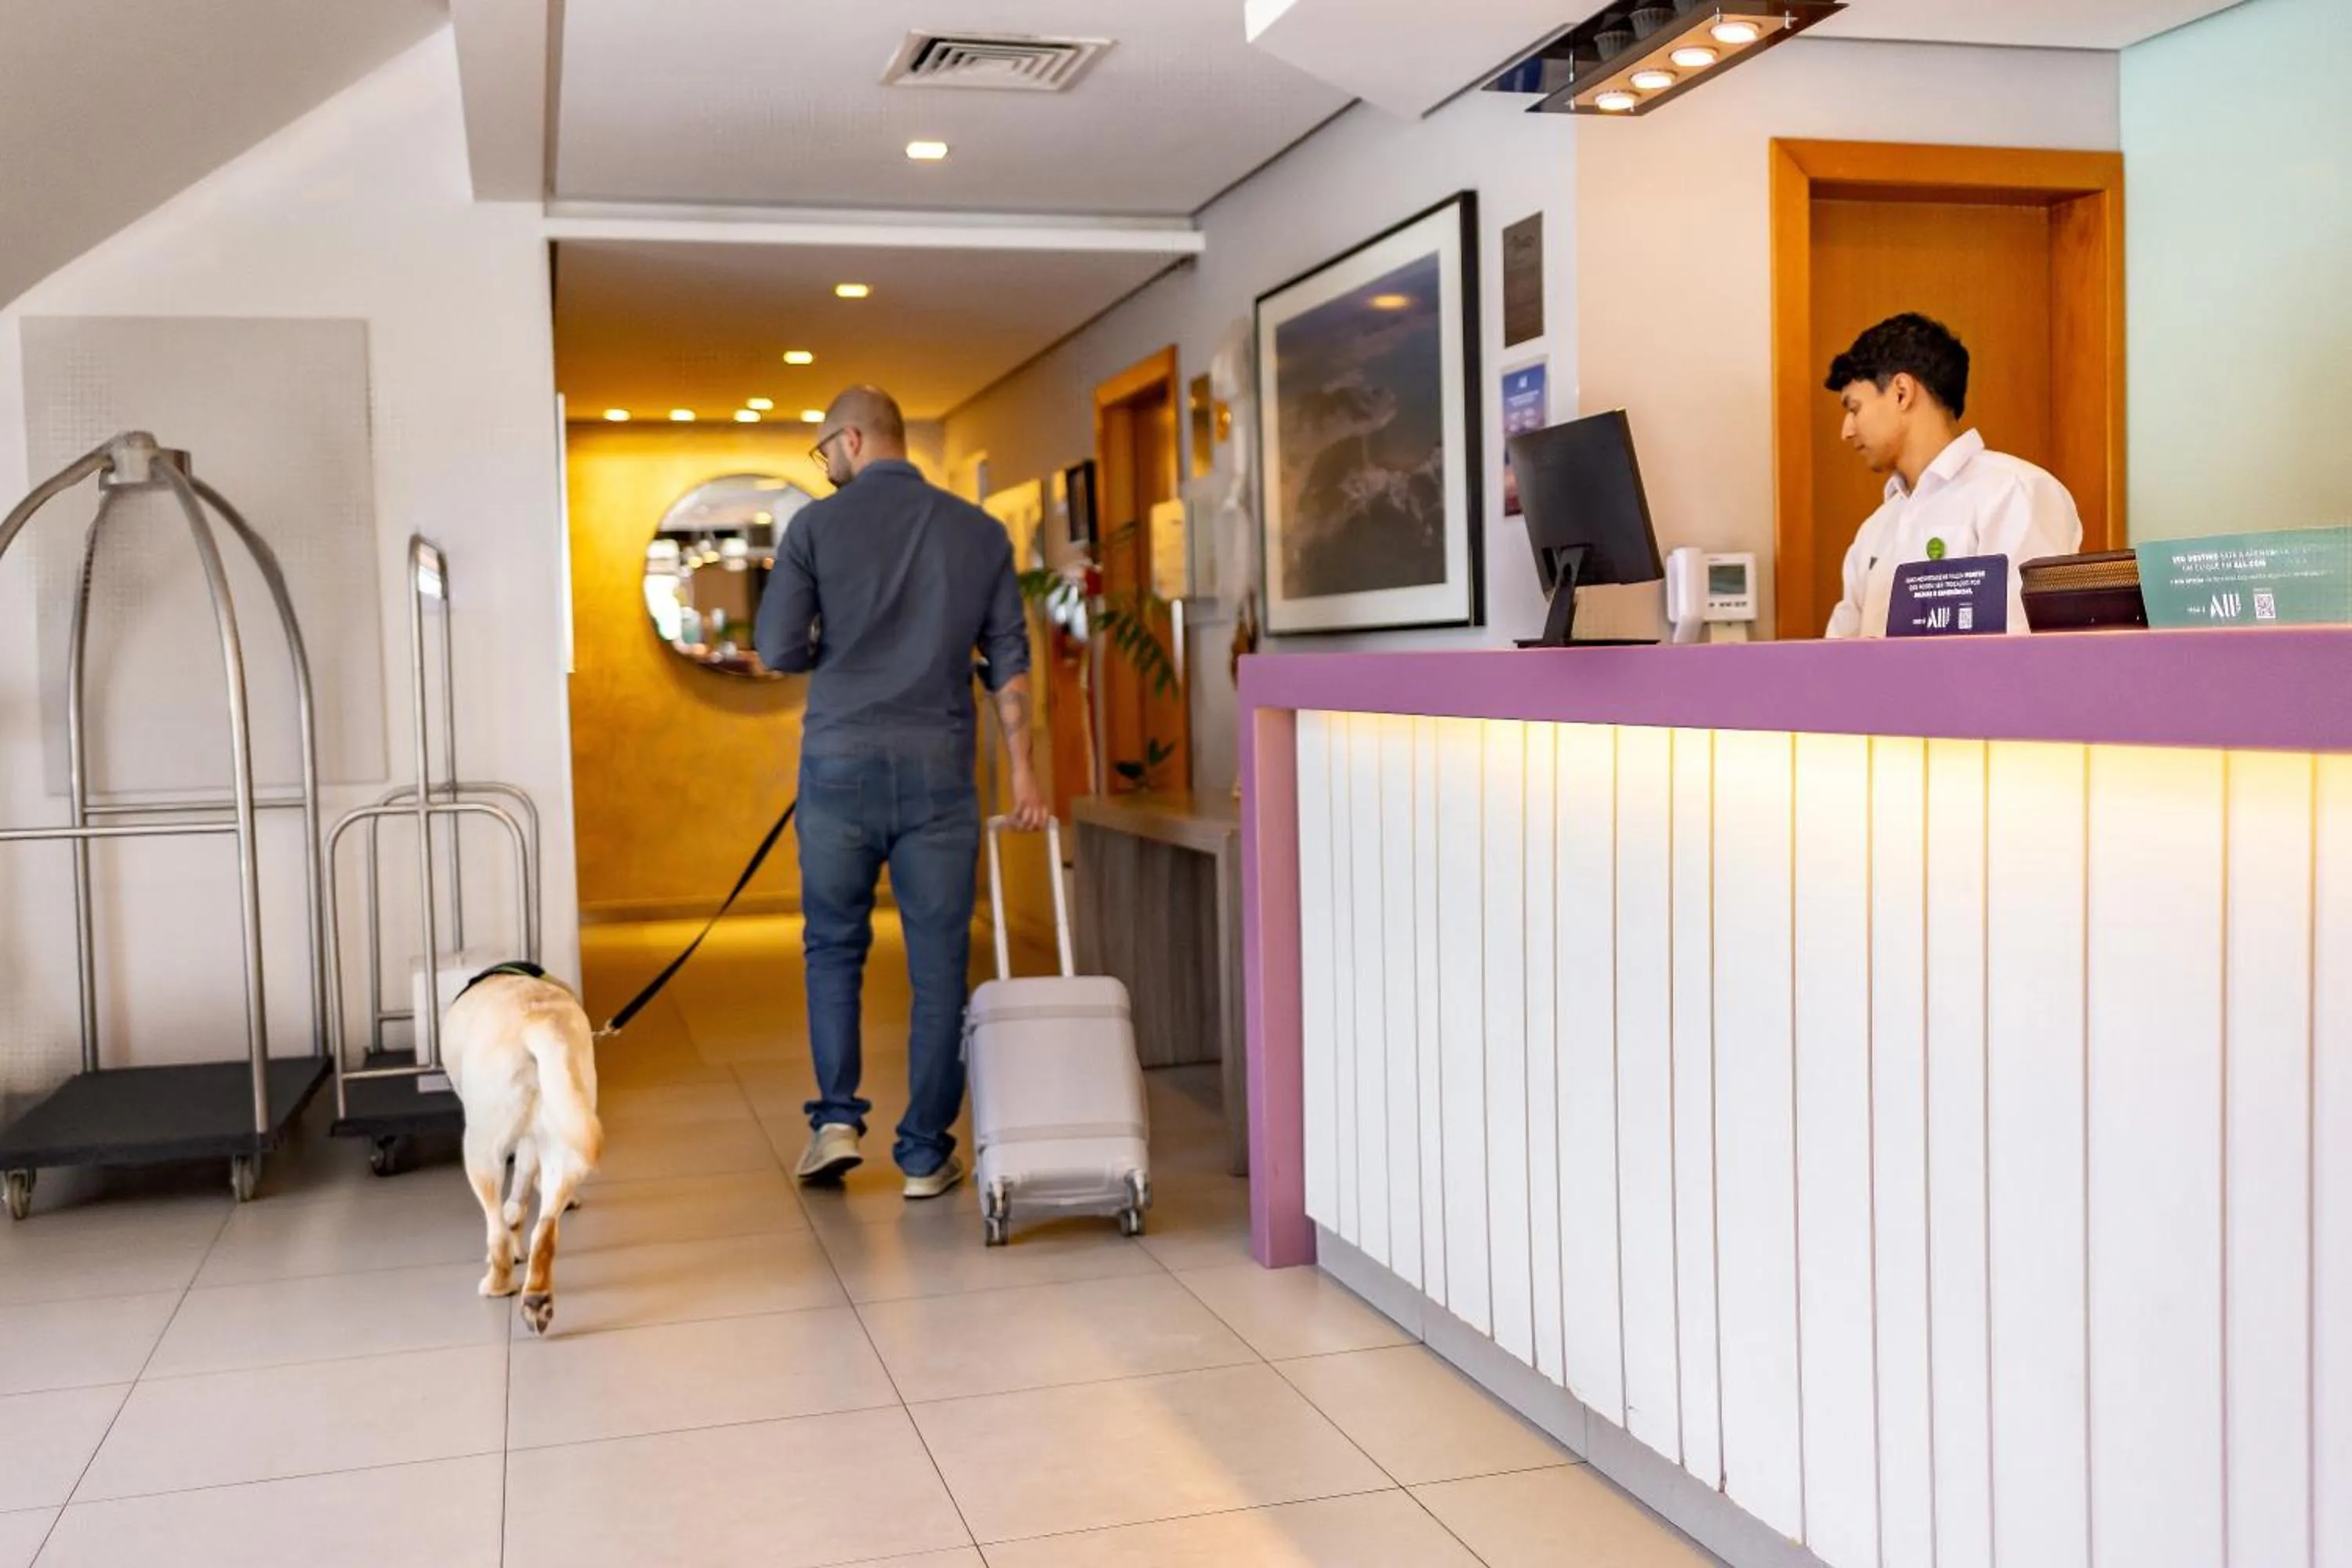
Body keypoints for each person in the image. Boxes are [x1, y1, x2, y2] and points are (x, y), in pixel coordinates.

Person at [753, 386, 1047, 1199]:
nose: (825, 464)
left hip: (838, 768)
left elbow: (777, 649)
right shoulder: (979, 532)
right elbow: (1009, 662)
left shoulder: (814, 527)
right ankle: (923, 1155)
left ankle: (836, 1123)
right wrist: (1024, 770)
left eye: (823, 448)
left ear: (852, 439)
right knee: (939, 963)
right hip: (939, 772)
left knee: (833, 946)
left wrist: (831, 640)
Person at [1822, 313, 2082, 638]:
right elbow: (1837, 650)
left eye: (1854, 408)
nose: (1847, 431)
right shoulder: (1875, 529)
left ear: (1901, 392)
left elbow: (2027, 644)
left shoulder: (2015, 492)